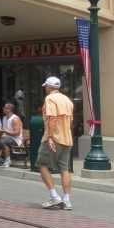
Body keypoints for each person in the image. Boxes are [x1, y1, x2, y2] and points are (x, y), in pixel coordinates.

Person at [36, 76, 75, 209]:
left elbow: (52, 119)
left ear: (48, 87)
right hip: (67, 139)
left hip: (54, 137)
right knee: (64, 169)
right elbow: (70, 121)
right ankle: (67, 200)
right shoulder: (67, 100)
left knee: (41, 164)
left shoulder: (50, 99)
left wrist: (50, 137)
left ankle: (54, 196)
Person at [0, 102, 23, 167]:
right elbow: (4, 130)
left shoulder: (15, 119)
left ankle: (8, 160)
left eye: (4, 107)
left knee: (3, 141)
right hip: (5, 137)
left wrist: (5, 131)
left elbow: (17, 133)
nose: (3, 108)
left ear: (9, 109)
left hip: (15, 139)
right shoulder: (4, 118)